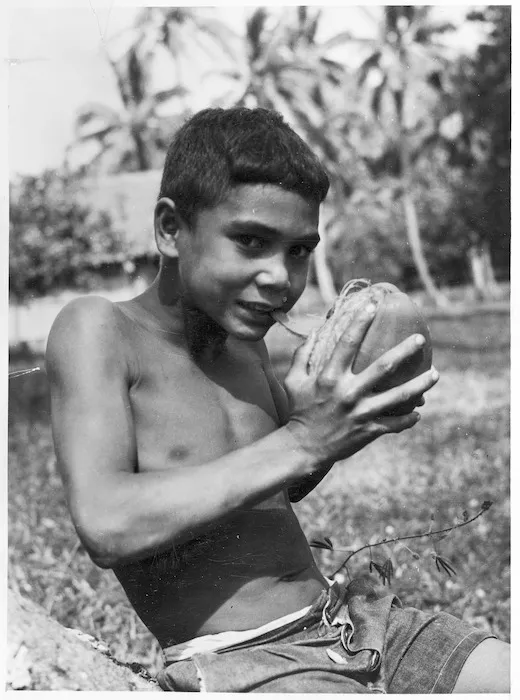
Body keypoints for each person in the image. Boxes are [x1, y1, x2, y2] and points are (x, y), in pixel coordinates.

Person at [46, 107, 509, 693]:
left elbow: (268, 487)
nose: (280, 277)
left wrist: (341, 429)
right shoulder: (99, 329)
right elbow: (106, 523)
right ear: (169, 228)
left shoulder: (248, 346)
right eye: (251, 241)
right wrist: (302, 439)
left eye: (298, 251)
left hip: (350, 621)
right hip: (245, 660)